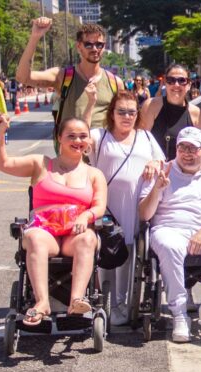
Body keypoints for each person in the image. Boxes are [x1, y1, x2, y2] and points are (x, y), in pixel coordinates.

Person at [0, 115, 107, 325]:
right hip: (45, 232)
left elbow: (99, 206)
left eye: (83, 136)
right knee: (34, 238)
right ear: (59, 138)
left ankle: (77, 299)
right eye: (71, 135)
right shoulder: (41, 164)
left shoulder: (94, 173)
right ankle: (42, 302)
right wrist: (0, 133)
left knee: (89, 240)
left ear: (89, 141)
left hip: (75, 233)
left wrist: (86, 215)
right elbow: (2, 163)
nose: (78, 141)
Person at [138, 126, 201, 343]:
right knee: (170, 245)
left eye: (193, 148)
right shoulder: (161, 171)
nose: (187, 153)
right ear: (176, 149)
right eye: (182, 147)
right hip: (169, 230)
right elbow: (145, 214)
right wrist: (157, 188)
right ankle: (179, 313)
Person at [83, 90, 165, 326]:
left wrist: (153, 162)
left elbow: (163, 162)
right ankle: (105, 305)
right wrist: (89, 103)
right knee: (107, 256)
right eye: (121, 111)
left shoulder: (146, 137)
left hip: (135, 205)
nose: (127, 116)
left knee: (130, 256)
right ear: (112, 113)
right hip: (108, 208)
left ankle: (124, 306)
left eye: (131, 112)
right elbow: (83, 138)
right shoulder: (101, 136)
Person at [16, 17, 124, 134]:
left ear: (104, 47)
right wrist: (35, 37)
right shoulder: (63, 76)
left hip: (103, 150)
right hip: (72, 149)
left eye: (99, 45)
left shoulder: (115, 83)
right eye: (88, 44)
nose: (94, 49)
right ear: (79, 46)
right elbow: (23, 77)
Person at [141, 64, 201, 160]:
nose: (176, 85)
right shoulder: (151, 106)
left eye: (182, 80)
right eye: (171, 80)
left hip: (185, 172)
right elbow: (140, 143)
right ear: (165, 83)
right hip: (156, 170)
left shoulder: (196, 113)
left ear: (189, 85)